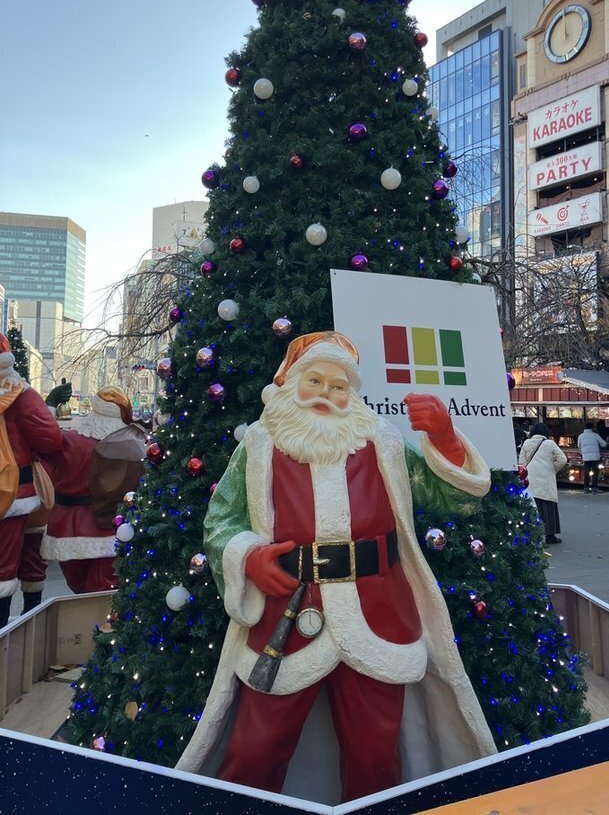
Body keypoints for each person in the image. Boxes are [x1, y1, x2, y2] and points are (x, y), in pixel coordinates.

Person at [176, 331, 497, 803]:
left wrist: (445, 438)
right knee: (255, 751)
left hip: (379, 615)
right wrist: (249, 556)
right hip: (285, 616)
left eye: (338, 385)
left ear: (353, 394)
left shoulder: (382, 443)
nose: (326, 394)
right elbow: (222, 518)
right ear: (289, 384)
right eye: (314, 380)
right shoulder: (261, 445)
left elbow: (450, 496)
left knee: (374, 758)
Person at [40, 385, 146, 594]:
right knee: (104, 591)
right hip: (116, 527)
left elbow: (42, 439)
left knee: (79, 588)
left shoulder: (70, 441)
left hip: (68, 528)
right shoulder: (136, 444)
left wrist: (49, 406)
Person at [0, 334, 66, 629]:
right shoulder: (20, 393)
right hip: (16, 494)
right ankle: (22, 631)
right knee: (15, 564)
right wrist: (49, 405)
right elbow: (50, 438)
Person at [519, 422, 568, 545]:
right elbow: (563, 459)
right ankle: (550, 535)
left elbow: (522, 463)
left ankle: (531, 535)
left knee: (532, 505)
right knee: (548, 506)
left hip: (530, 478)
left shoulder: (526, 443)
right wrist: (553, 469)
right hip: (546, 478)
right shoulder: (549, 444)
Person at [577, 422, 607, 493]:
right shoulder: (595, 435)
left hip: (586, 458)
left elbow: (579, 446)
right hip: (595, 457)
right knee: (595, 472)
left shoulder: (580, 436)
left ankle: (586, 488)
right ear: (592, 428)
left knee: (586, 472)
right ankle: (594, 488)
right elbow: (603, 444)